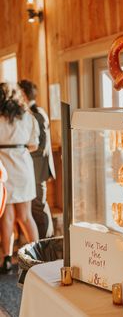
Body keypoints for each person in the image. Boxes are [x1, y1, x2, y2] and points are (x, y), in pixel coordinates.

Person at [0, 82, 39, 273]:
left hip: (2, 168)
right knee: (25, 216)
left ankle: (6, 259)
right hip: (22, 166)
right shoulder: (27, 117)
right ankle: (37, 256)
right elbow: (34, 145)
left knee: (6, 216)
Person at [18, 80, 55, 239]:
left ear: (24, 94)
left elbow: (41, 146)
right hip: (32, 167)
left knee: (38, 207)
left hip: (37, 167)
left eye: (19, 93)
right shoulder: (33, 112)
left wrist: (21, 150)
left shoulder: (36, 113)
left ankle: (45, 243)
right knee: (35, 208)